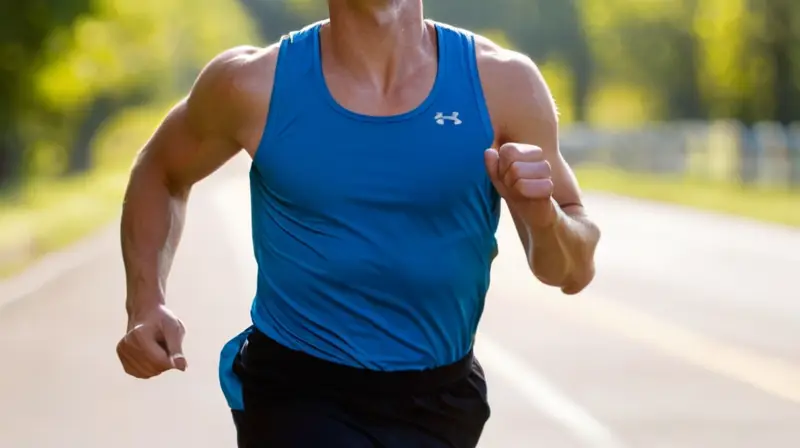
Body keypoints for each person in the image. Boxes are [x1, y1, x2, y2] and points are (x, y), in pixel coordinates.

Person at [115, 0, 601, 446]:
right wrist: (145, 301)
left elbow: (571, 271)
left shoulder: (503, 84)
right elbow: (161, 170)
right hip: (296, 393)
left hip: (443, 400)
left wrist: (544, 218)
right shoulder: (252, 84)